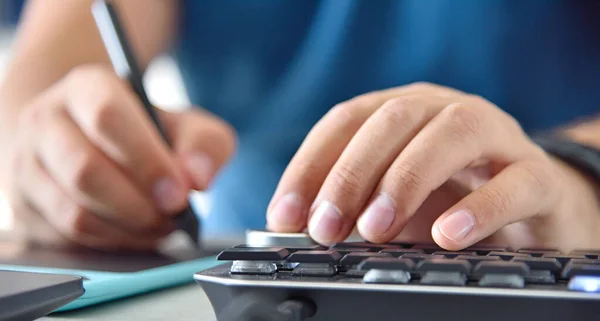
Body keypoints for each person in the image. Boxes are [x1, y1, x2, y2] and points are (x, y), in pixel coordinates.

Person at [1, 0, 600, 253]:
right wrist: (49, 148)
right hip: (240, 281)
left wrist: (577, 175)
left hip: (554, 245)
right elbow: (48, 63)